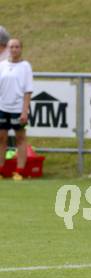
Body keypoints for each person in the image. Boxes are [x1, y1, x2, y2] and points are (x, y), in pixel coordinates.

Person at [0, 38, 33, 180]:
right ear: (7, 49)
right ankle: (1, 170)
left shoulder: (25, 66)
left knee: (20, 138)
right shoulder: (1, 65)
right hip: (2, 107)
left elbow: (28, 90)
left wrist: (24, 111)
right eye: (11, 47)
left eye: (17, 47)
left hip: (18, 108)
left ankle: (19, 171)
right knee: (1, 138)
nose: (14, 49)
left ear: (21, 49)